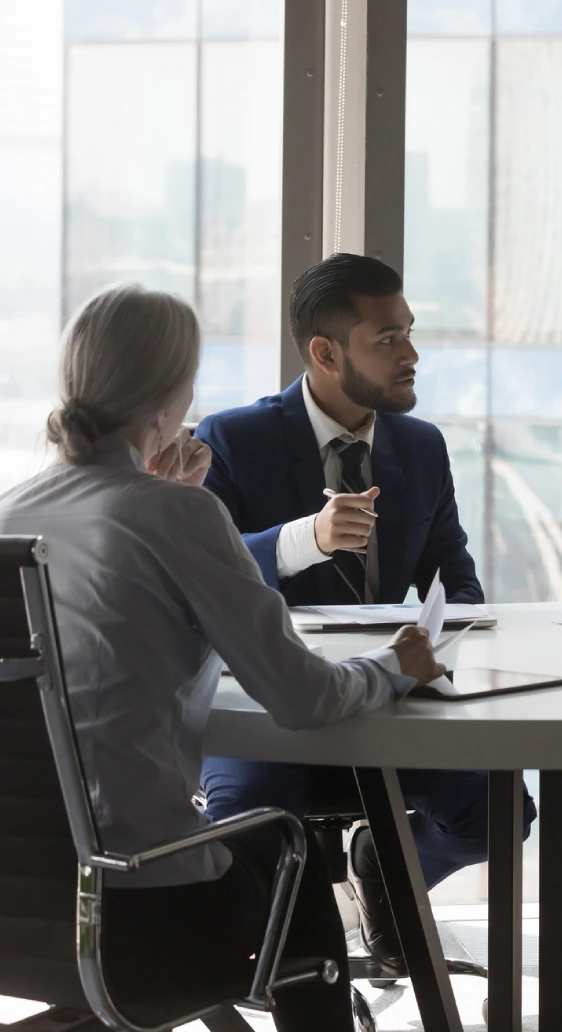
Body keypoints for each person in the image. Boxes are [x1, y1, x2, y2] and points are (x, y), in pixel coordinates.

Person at [0, 284, 445, 1031]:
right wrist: (400, 664)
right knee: (288, 852)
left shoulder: (15, 515)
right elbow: (305, 700)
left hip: (24, 913)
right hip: (146, 919)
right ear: (175, 393)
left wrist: (163, 498)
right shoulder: (173, 515)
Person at [194, 253, 535, 975]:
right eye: (388, 339)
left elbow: (456, 576)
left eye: (409, 333)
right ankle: (297, 969)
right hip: (272, 704)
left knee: (504, 815)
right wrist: (302, 540)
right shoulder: (231, 441)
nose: (412, 354)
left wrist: (448, 636)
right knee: (248, 827)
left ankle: (388, 862)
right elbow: (202, 576)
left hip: (392, 695)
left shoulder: (420, 445)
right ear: (324, 353)